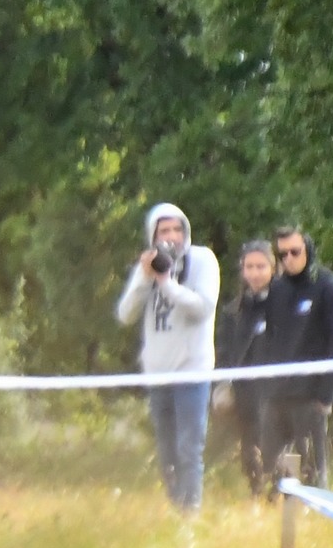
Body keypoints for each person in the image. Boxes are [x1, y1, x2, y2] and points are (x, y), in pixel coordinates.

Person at [115, 203, 221, 512]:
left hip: (192, 370)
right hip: (158, 372)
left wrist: (167, 283)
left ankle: (191, 513)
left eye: (177, 229)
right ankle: (175, 507)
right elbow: (125, 315)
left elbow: (202, 308)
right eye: (164, 231)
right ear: (153, 235)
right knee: (166, 451)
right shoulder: (147, 266)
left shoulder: (202, 260)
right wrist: (145, 278)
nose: (171, 237)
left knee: (189, 448)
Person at [261, 225, 333, 488]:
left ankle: (315, 516)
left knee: (311, 472)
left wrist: (326, 396)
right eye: (282, 255)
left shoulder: (330, 288)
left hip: (311, 397)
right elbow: (270, 340)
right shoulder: (277, 290)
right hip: (277, 395)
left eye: (295, 252)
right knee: (270, 468)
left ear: (308, 250)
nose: (288, 259)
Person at [216, 240, 276, 492]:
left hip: (277, 390)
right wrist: (221, 385)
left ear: (273, 267)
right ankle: (256, 492)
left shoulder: (284, 306)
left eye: (261, 266)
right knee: (250, 448)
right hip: (244, 391)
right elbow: (224, 350)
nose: (254, 272)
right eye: (249, 266)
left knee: (278, 446)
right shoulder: (233, 311)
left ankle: (281, 495)